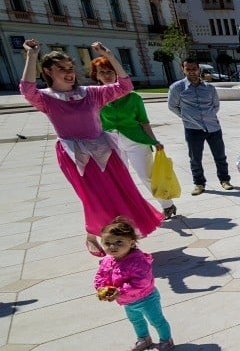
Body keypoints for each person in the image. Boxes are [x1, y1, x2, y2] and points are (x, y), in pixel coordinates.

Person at [20, 39, 163, 256]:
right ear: (48, 71)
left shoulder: (91, 93)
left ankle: (123, 237)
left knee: (122, 193)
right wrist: (31, 56)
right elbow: (27, 90)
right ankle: (93, 234)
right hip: (76, 157)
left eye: (71, 68)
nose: (69, 73)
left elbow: (126, 86)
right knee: (94, 198)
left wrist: (111, 56)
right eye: (61, 69)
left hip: (104, 151)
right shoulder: (46, 99)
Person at [91, 57, 178, 221]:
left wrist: (154, 141)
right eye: (102, 72)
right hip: (110, 142)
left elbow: (144, 121)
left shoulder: (133, 97)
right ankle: (125, 212)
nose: (107, 75)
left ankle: (167, 205)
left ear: (117, 73)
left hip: (136, 140)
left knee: (146, 175)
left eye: (110, 71)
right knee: (118, 179)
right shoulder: (95, 98)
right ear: (96, 76)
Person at [94, 216, 174, 351]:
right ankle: (143, 339)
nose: (112, 247)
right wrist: (101, 288)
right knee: (135, 320)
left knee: (156, 320)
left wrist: (120, 291)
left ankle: (166, 340)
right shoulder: (107, 260)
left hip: (146, 298)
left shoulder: (138, 261)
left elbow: (141, 282)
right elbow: (101, 276)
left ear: (131, 243)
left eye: (119, 242)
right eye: (107, 243)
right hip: (127, 301)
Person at [168, 58, 233, 196]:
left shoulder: (209, 88)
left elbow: (216, 106)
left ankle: (224, 180)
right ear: (183, 70)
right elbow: (172, 106)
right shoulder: (177, 88)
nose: (192, 72)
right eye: (188, 69)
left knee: (220, 156)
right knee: (195, 158)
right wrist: (187, 117)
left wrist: (207, 117)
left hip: (213, 127)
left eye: (194, 68)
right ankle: (199, 183)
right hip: (193, 129)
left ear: (199, 69)